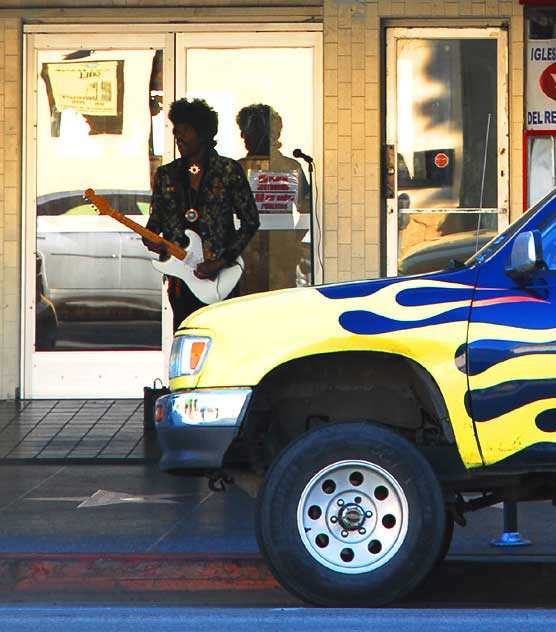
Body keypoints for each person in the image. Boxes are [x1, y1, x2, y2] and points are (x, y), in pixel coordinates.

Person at [143, 98, 260, 331]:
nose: (178, 137)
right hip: (181, 278)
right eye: (176, 131)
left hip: (221, 278)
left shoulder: (228, 171)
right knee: (187, 335)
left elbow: (250, 222)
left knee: (224, 336)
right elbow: (154, 223)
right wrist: (151, 239)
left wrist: (221, 261)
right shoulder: (167, 175)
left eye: (185, 131)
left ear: (203, 134)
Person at [235, 104, 311, 291]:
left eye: (247, 131)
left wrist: (291, 239)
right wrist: (292, 238)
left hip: (274, 254)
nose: (242, 137)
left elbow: (308, 209)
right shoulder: (288, 166)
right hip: (254, 253)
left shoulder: (238, 169)